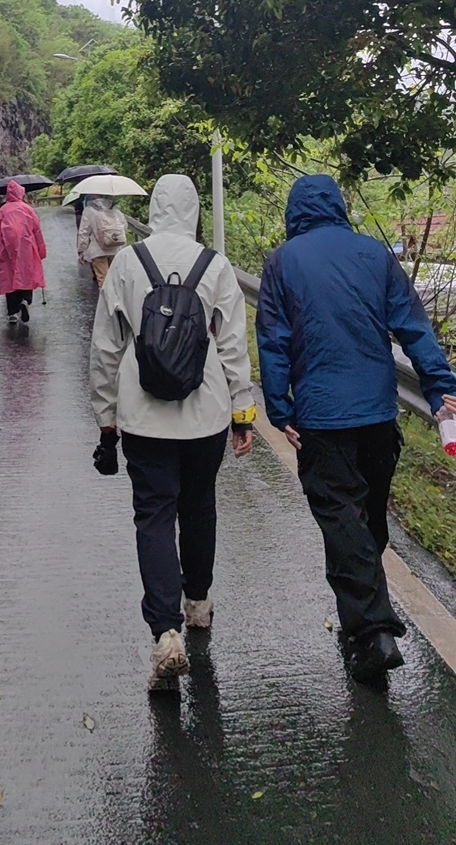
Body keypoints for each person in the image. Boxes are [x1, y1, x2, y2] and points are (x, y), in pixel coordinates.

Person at [257, 174, 456, 685]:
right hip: (378, 414)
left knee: (342, 518)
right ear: (338, 206)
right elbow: (414, 326)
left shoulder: (284, 261)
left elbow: (275, 341)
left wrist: (280, 409)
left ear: (295, 212)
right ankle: (361, 620)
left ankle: (373, 631)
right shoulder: (375, 255)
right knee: (365, 517)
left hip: (322, 417)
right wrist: (440, 388)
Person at [89, 174, 255, 690]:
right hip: (206, 417)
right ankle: (198, 604)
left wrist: (106, 417)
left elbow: (106, 347)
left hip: (144, 418)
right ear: (195, 211)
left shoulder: (127, 263)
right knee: (199, 506)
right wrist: (243, 413)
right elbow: (233, 346)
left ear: (156, 209)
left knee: (154, 516)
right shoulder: (215, 265)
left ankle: (165, 634)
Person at [0, 180, 47, 325]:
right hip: (27, 249)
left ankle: (13, 312)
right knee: (26, 275)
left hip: (7, 250)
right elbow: (37, 231)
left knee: (9, 278)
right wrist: (41, 251)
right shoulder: (28, 209)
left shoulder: (3, 210)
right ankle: (25, 300)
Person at [77, 193, 127, 288]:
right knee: (115, 279)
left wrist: (82, 250)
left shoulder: (89, 210)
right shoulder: (114, 209)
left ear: (94, 195)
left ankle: (106, 297)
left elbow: (84, 232)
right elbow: (124, 227)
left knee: (103, 280)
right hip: (116, 248)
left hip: (98, 250)